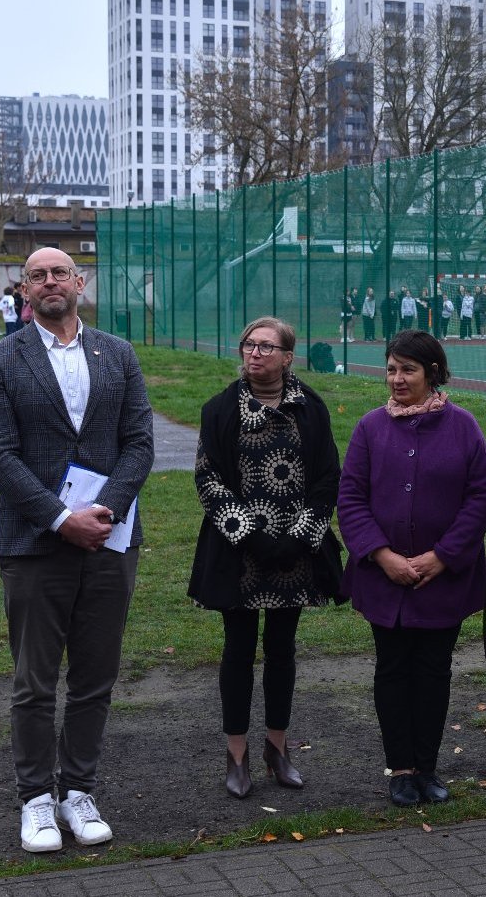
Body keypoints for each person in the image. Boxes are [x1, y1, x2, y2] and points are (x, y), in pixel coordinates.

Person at [0, 247, 155, 853]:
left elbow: (138, 441)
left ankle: (79, 790)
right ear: (23, 289)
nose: (50, 282)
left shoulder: (117, 353)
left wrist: (107, 511)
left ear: (80, 283)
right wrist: (59, 518)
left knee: (96, 677)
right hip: (33, 544)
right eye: (37, 275)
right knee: (35, 682)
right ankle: (35, 799)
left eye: (60, 273)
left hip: (109, 539)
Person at [338, 330, 486, 806]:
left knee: (433, 671)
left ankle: (427, 766)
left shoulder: (464, 426)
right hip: (383, 579)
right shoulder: (369, 427)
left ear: (433, 373)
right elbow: (351, 498)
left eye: (408, 369)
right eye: (391, 369)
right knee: (392, 669)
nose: (397, 378)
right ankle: (400, 768)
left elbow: (480, 496)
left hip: (443, 579)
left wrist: (441, 556)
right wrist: (382, 555)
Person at [189, 317, 340, 799]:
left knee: (282, 650)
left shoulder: (311, 409)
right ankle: (237, 755)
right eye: (249, 345)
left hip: (295, 553)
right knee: (237, 652)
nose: (255, 353)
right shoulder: (219, 410)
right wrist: (250, 535)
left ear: (288, 356)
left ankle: (278, 747)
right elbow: (208, 478)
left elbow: (327, 479)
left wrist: (297, 538)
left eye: (267, 347)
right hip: (239, 554)